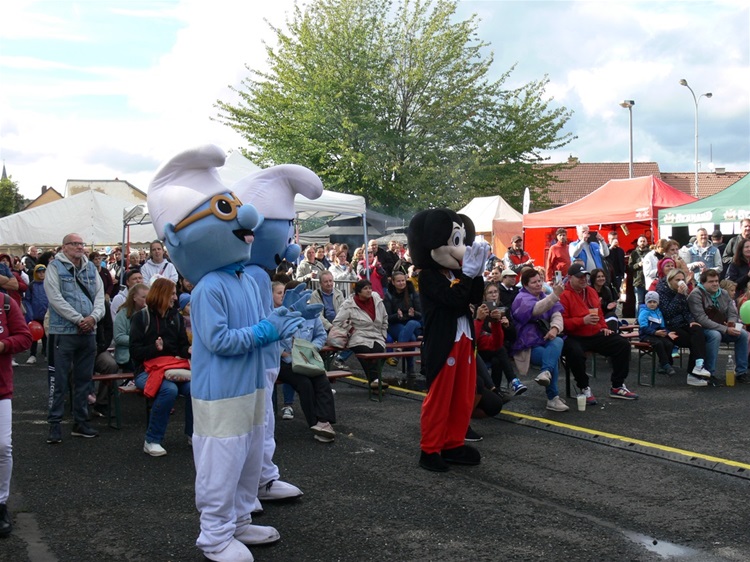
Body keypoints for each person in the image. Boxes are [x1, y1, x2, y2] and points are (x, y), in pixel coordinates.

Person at [44, 233, 105, 443]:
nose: (79, 247)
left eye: (81, 243)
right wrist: (79, 319)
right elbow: (55, 299)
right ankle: (54, 424)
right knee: (59, 380)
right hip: (63, 332)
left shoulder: (91, 269)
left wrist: (94, 317)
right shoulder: (54, 268)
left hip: (89, 332)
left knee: (84, 381)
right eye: (74, 244)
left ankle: (80, 422)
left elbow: (100, 297)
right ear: (64, 247)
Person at [129, 278, 192, 456]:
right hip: (145, 370)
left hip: (172, 369)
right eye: (172, 294)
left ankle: (193, 434)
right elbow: (134, 352)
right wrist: (154, 348)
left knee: (195, 388)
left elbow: (181, 346)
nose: (175, 297)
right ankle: (152, 439)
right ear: (161, 294)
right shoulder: (141, 318)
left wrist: (189, 350)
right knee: (169, 390)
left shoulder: (176, 317)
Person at [560, 263, 637, 400]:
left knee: (622, 344)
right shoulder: (564, 295)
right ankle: (584, 388)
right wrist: (583, 321)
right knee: (575, 353)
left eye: (585, 276)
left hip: (595, 333)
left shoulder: (590, 291)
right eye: (579, 277)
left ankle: (617, 386)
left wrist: (604, 327)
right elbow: (563, 324)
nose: (583, 279)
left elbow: (599, 313)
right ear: (570, 278)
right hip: (575, 335)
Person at [276, 284, 337, 443]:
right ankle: (314, 423)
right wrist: (283, 353)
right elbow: (270, 341)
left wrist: (311, 348)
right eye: (280, 293)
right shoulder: (277, 315)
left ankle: (324, 421)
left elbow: (321, 335)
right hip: (284, 362)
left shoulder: (312, 314)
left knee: (322, 380)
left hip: (306, 359)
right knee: (304, 384)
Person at [511, 268, 569, 410]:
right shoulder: (521, 298)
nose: (538, 284)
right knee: (551, 358)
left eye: (539, 281)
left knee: (558, 340)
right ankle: (552, 398)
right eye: (534, 282)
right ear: (525, 285)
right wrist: (555, 295)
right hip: (527, 345)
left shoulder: (544, 295)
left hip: (545, 339)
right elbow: (536, 309)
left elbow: (557, 314)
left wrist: (554, 328)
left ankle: (546, 374)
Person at [0, 293, 33, 538]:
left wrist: (3, 345)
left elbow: (25, 337)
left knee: (3, 446)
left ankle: (1, 503)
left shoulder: (5, 303)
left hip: (1, 389)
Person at [687, 269, 748, 383]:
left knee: (743, 334)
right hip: (703, 328)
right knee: (715, 335)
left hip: (723, 326)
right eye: (711, 281)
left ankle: (742, 372)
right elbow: (702, 319)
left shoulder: (723, 293)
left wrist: (731, 323)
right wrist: (725, 329)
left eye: (716, 281)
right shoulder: (696, 294)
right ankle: (709, 373)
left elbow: (732, 313)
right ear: (703, 283)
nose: (715, 284)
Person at [656, 269, 711, 386]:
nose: (681, 282)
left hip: (683, 323)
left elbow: (686, 310)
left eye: (682, 279)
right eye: (677, 280)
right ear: (670, 280)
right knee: (694, 341)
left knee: (698, 330)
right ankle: (693, 374)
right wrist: (679, 295)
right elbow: (668, 313)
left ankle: (698, 366)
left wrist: (691, 321)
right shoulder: (662, 292)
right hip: (669, 326)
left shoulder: (683, 292)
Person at [331, 279, 388, 388]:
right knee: (365, 352)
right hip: (358, 336)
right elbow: (337, 322)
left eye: (370, 288)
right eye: (365, 288)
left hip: (376, 335)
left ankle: (375, 383)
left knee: (377, 351)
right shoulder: (349, 304)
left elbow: (385, 318)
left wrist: (383, 334)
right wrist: (351, 329)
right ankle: (376, 381)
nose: (369, 291)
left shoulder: (377, 300)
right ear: (358, 291)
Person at [475, 283, 522, 394]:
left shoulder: (503, 309)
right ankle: (513, 380)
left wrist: (507, 326)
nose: (493, 295)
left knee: (497, 360)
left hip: (498, 347)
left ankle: (496, 390)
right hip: (483, 348)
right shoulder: (480, 310)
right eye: (490, 293)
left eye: (495, 292)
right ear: (484, 296)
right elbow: (477, 334)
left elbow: (513, 336)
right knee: (500, 350)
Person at [383, 271, 422, 375]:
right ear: (393, 282)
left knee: (411, 324)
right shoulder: (388, 295)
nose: (401, 283)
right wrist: (397, 316)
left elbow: (420, 315)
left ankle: (399, 351)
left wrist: (413, 314)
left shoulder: (412, 293)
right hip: (396, 323)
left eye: (403, 280)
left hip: (413, 322)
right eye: (398, 281)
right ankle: (410, 368)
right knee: (411, 338)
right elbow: (387, 317)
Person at [637, 291, 677, 376]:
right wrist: (655, 332)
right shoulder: (644, 312)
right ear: (646, 302)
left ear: (657, 303)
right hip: (646, 335)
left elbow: (662, 326)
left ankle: (661, 364)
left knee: (669, 344)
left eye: (654, 302)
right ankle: (666, 365)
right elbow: (644, 327)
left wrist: (668, 333)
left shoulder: (658, 312)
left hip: (657, 334)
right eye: (650, 302)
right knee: (658, 343)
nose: (652, 304)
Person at [113, 283, 149, 372]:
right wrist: (138, 341)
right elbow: (118, 337)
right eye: (143, 297)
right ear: (134, 297)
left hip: (145, 352)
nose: (147, 300)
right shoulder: (122, 313)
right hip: (127, 354)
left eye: (148, 297)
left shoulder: (149, 313)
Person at [23, 264, 49, 364]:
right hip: (35, 315)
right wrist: (30, 314)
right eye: (39, 272)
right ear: (35, 273)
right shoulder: (32, 285)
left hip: (46, 315)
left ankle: (46, 353)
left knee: (46, 335)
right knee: (34, 336)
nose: (41, 274)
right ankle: (32, 354)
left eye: (43, 272)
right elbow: (27, 300)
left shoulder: (49, 284)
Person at [629, 235, 650, 307]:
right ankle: (638, 315)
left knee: (649, 301)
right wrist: (638, 264)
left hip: (649, 281)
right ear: (638, 243)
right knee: (639, 302)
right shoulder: (634, 253)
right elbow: (630, 267)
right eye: (641, 241)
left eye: (644, 241)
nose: (642, 243)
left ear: (647, 242)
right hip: (638, 281)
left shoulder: (650, 253)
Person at [606, 230, 626, 295]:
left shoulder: (620, 250)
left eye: (616, 238)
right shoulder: (606, 248)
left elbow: (622, 262)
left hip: (619, 276)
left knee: (619, 293)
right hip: (609, 275)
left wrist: (623, 274)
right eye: (612, 239)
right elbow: (605, 256)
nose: (614, 240)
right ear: (608, 239)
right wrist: (611, 247)